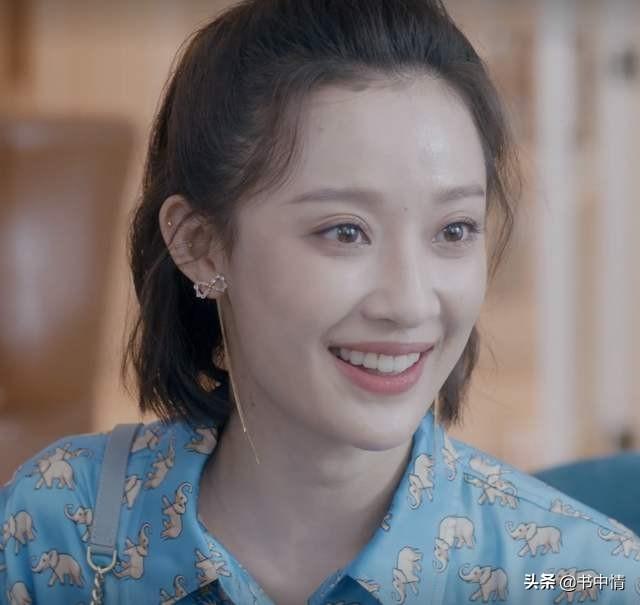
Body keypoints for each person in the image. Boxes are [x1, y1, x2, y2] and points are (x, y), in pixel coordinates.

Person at [2, 1, 639, 604]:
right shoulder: (57, 532)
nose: (410, 303)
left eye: (453, 230)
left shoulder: (582, 576)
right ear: (200, 244)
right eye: (345, 231)